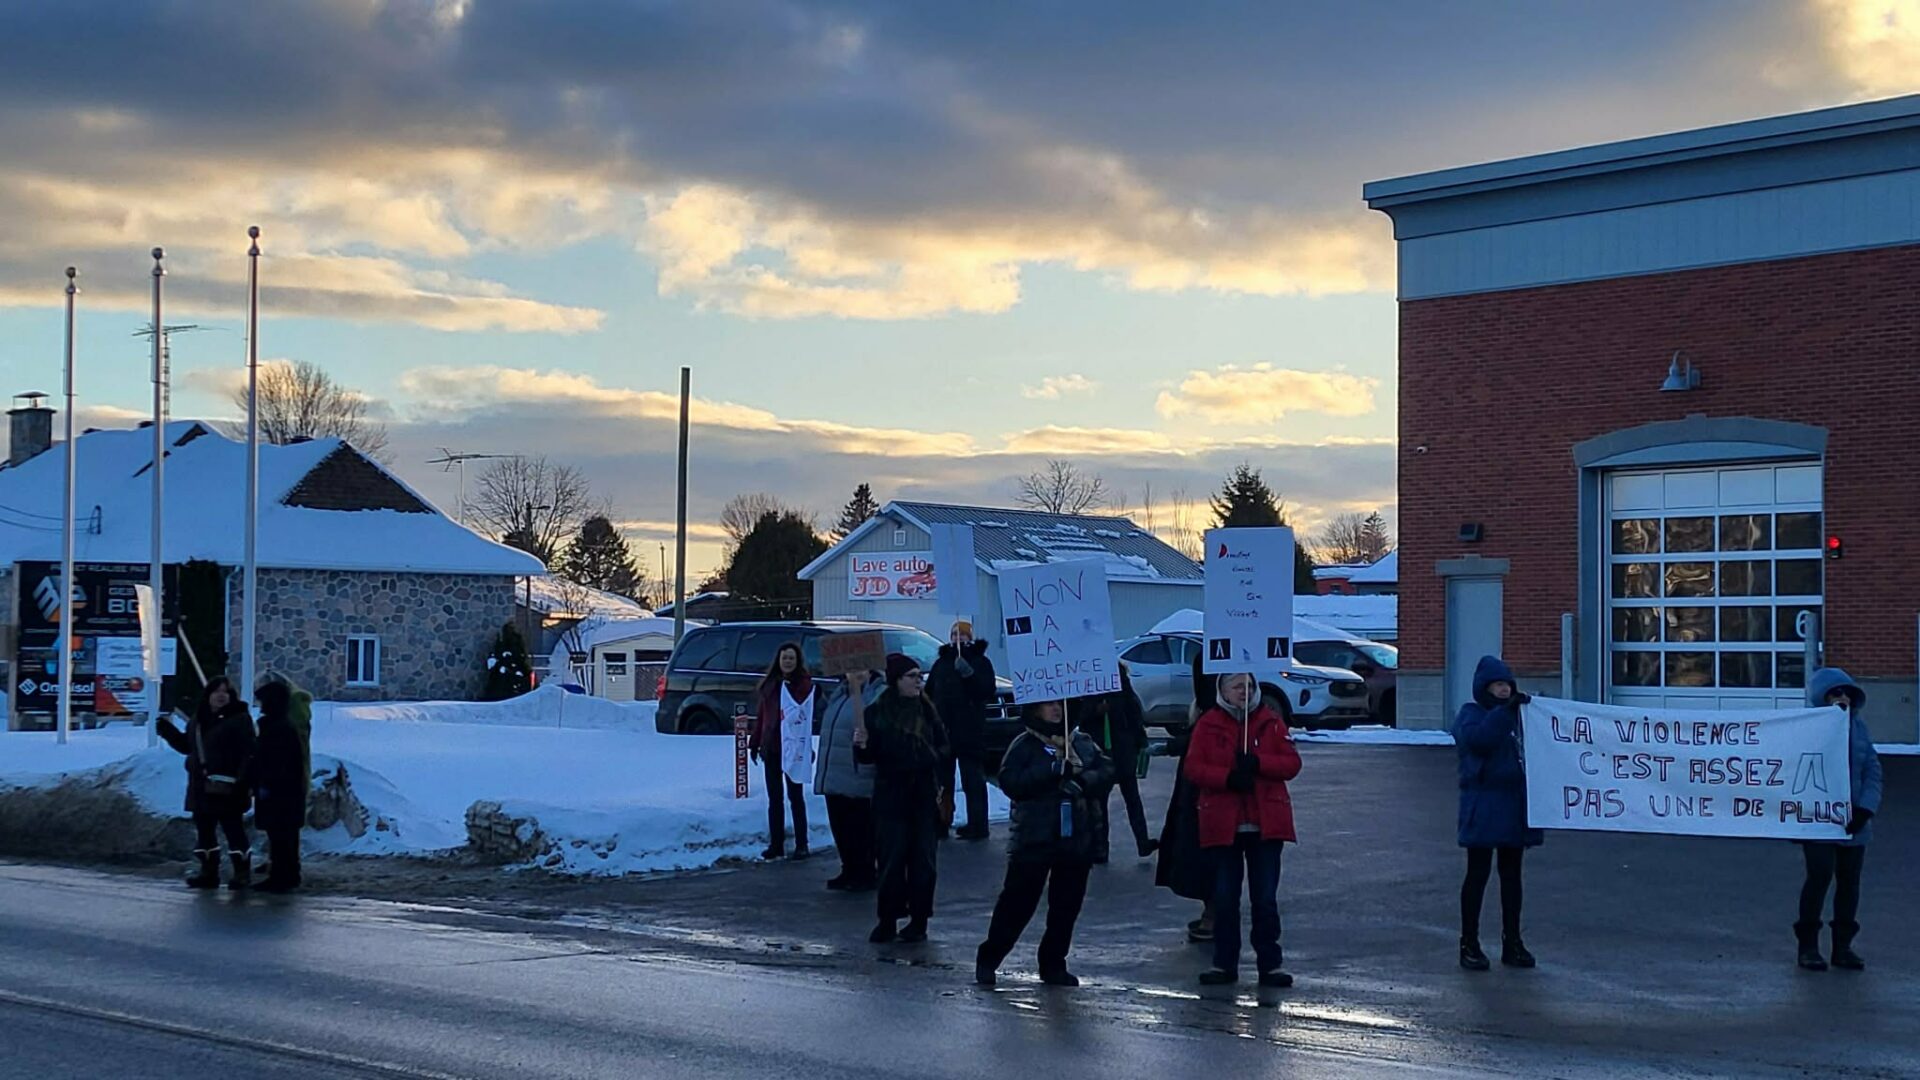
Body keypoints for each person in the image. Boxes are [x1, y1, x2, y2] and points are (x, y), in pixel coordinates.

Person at [975, 701, 1116, 988]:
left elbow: (1107, 770)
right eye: (1049, 705)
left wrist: (1083, 782)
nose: (1056, 710)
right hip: (1034, 839)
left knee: (1066, 907)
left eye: (1060, 705)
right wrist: (1051, 770)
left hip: (1075, 839)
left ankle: (1053, 964)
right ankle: (990, 958)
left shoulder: (1081, 742)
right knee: (1017, 903)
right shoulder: (1025, 744)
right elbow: (1011, 782)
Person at [1185, 670, 1302, 988]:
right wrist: (1227, 777)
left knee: (1264, 898)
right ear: (1223, 690)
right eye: (1237, 686)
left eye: (1249, 686)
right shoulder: (1209, 724)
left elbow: (1291, 763)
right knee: (1225, 898)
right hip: (1225, 823)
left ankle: (1270, 963)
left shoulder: (1270, 721)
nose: (1245, 691)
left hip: (1265, 824)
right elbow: (1194, 768)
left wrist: (1260, 763)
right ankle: (1224, 963)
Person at [1452, 655, 1543, 971]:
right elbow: (1479, 741)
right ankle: (1469, 943)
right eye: (1498, 685)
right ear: (1484, 687)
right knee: (1477, 875)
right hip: (1484, 808)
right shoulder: (1470, 715)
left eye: (1507, 685)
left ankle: (1513, 942)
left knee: (1512, 878)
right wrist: (1506, 713)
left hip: (1514, 808)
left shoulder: (1518, 719)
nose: (1504, 690)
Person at [856, 653, 951, 944]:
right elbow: (868, 757)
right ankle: (887, 920)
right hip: (892, 794)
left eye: (918, 676)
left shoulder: (928, 711)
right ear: (896, 680)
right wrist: (861, 744)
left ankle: (919, 920)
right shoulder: (877, 712)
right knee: (891, 859)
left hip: (923, 794)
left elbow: (945, 747)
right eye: (911, 677)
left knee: (923, 861)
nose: (917, 682)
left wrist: (936, 773)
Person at [1796, 667, 1883, 972]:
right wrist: (1794, 817)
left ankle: (1843, 947)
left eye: (1846, 693)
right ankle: (1808, 946)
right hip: (1817, 821)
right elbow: (1792, 774)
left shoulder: (1859, 729)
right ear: (1822, 698)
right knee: (1819, 877)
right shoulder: (1804, 730)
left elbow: (1872, 771)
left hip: (1854, 824)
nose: (1842, 698)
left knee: (1849, 883)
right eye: (1835, 693)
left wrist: (1865, 810)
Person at [155, 677, 257, 891]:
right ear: (208, 695)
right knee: (204, 830)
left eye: (226, 692)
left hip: (229, 787)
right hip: (201, 786)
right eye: (216, 692)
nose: (221, 696)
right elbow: (188, 746)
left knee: (233, 829)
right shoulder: (198, 720)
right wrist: (168, 732)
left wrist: (244, 781)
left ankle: (241, 873)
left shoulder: (239, 719)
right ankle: (208, 872)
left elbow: (248, 753)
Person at [1155, 652, 1217, 943]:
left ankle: (1216, 913)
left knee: (1210, 851)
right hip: (1197, 791)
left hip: (1211, 794)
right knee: (1201, 849)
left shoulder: (1216, 712)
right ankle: (1214, 909)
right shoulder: (1207, 712)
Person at [815, 667, 883, 892]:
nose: (855, 674)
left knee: (860, 826)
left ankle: (865, 871)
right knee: (841, 825)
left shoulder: (876, 693)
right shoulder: (840, 693)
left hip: (857, 772)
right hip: (835, 771)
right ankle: (849, 868)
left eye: (861, 669)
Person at [927, 620, 997, 841]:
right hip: (943, 730)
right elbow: (930, 692)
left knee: (972, 780)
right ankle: (941, 821)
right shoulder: (942, 663)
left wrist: (969, 676)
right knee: (942, 781)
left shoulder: (980, 662)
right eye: (954, 634)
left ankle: (978, 824)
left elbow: (986, 690)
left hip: (969, 730)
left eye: (962, 634)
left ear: (970, 637)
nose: (958, 638)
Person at [749, 642, 814, 861]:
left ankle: (801, 844)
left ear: (797, 662)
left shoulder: (803, 685)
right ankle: (776, 844)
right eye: (784, 658)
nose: (787, 662)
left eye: (791, 658)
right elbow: (762, 716)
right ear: (778, 660)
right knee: (774, 798)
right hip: (772, 748)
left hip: (793, 748)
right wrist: (755, 742)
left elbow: (806, 715)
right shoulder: (770, 685)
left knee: (795, 796)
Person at [252, 677, 313, 894]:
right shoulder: (283, 726)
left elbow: (273, 762)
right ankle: (287, 873)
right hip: (287, 792)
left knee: (280, 835)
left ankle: (281, 875)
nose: (259, 707)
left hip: (279, 792)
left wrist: (264, 783)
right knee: (284, 835)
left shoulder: (277, 728)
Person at [1095, 664, 1156, 860]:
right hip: (1100, 748)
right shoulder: (1088, 675)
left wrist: (1140, 739)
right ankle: (1101, 847)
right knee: (1100, 801)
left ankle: (1142, 842)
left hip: (1121, 746)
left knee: (1131, 797)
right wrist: (1096, 709)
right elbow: (1078, 712)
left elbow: (1131, 707)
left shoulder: (1117, 673)